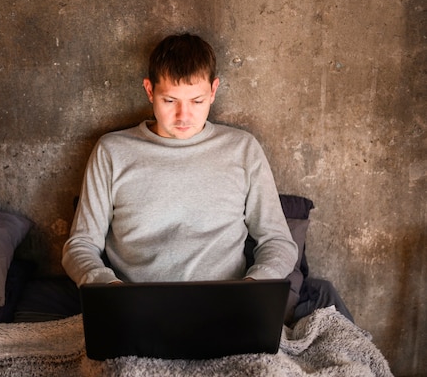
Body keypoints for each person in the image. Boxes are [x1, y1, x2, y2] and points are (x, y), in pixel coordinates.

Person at [62, 33, 298, 286]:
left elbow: (277, 242)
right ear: (150, 90)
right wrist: (109, 289)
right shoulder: (111, 151)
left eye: (196, 101)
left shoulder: (242, 148)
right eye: (170, 100)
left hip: (227, 308)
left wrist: (252, 287)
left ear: (213, 91)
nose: (183, 116)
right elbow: (81, 245)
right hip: (138, 310)